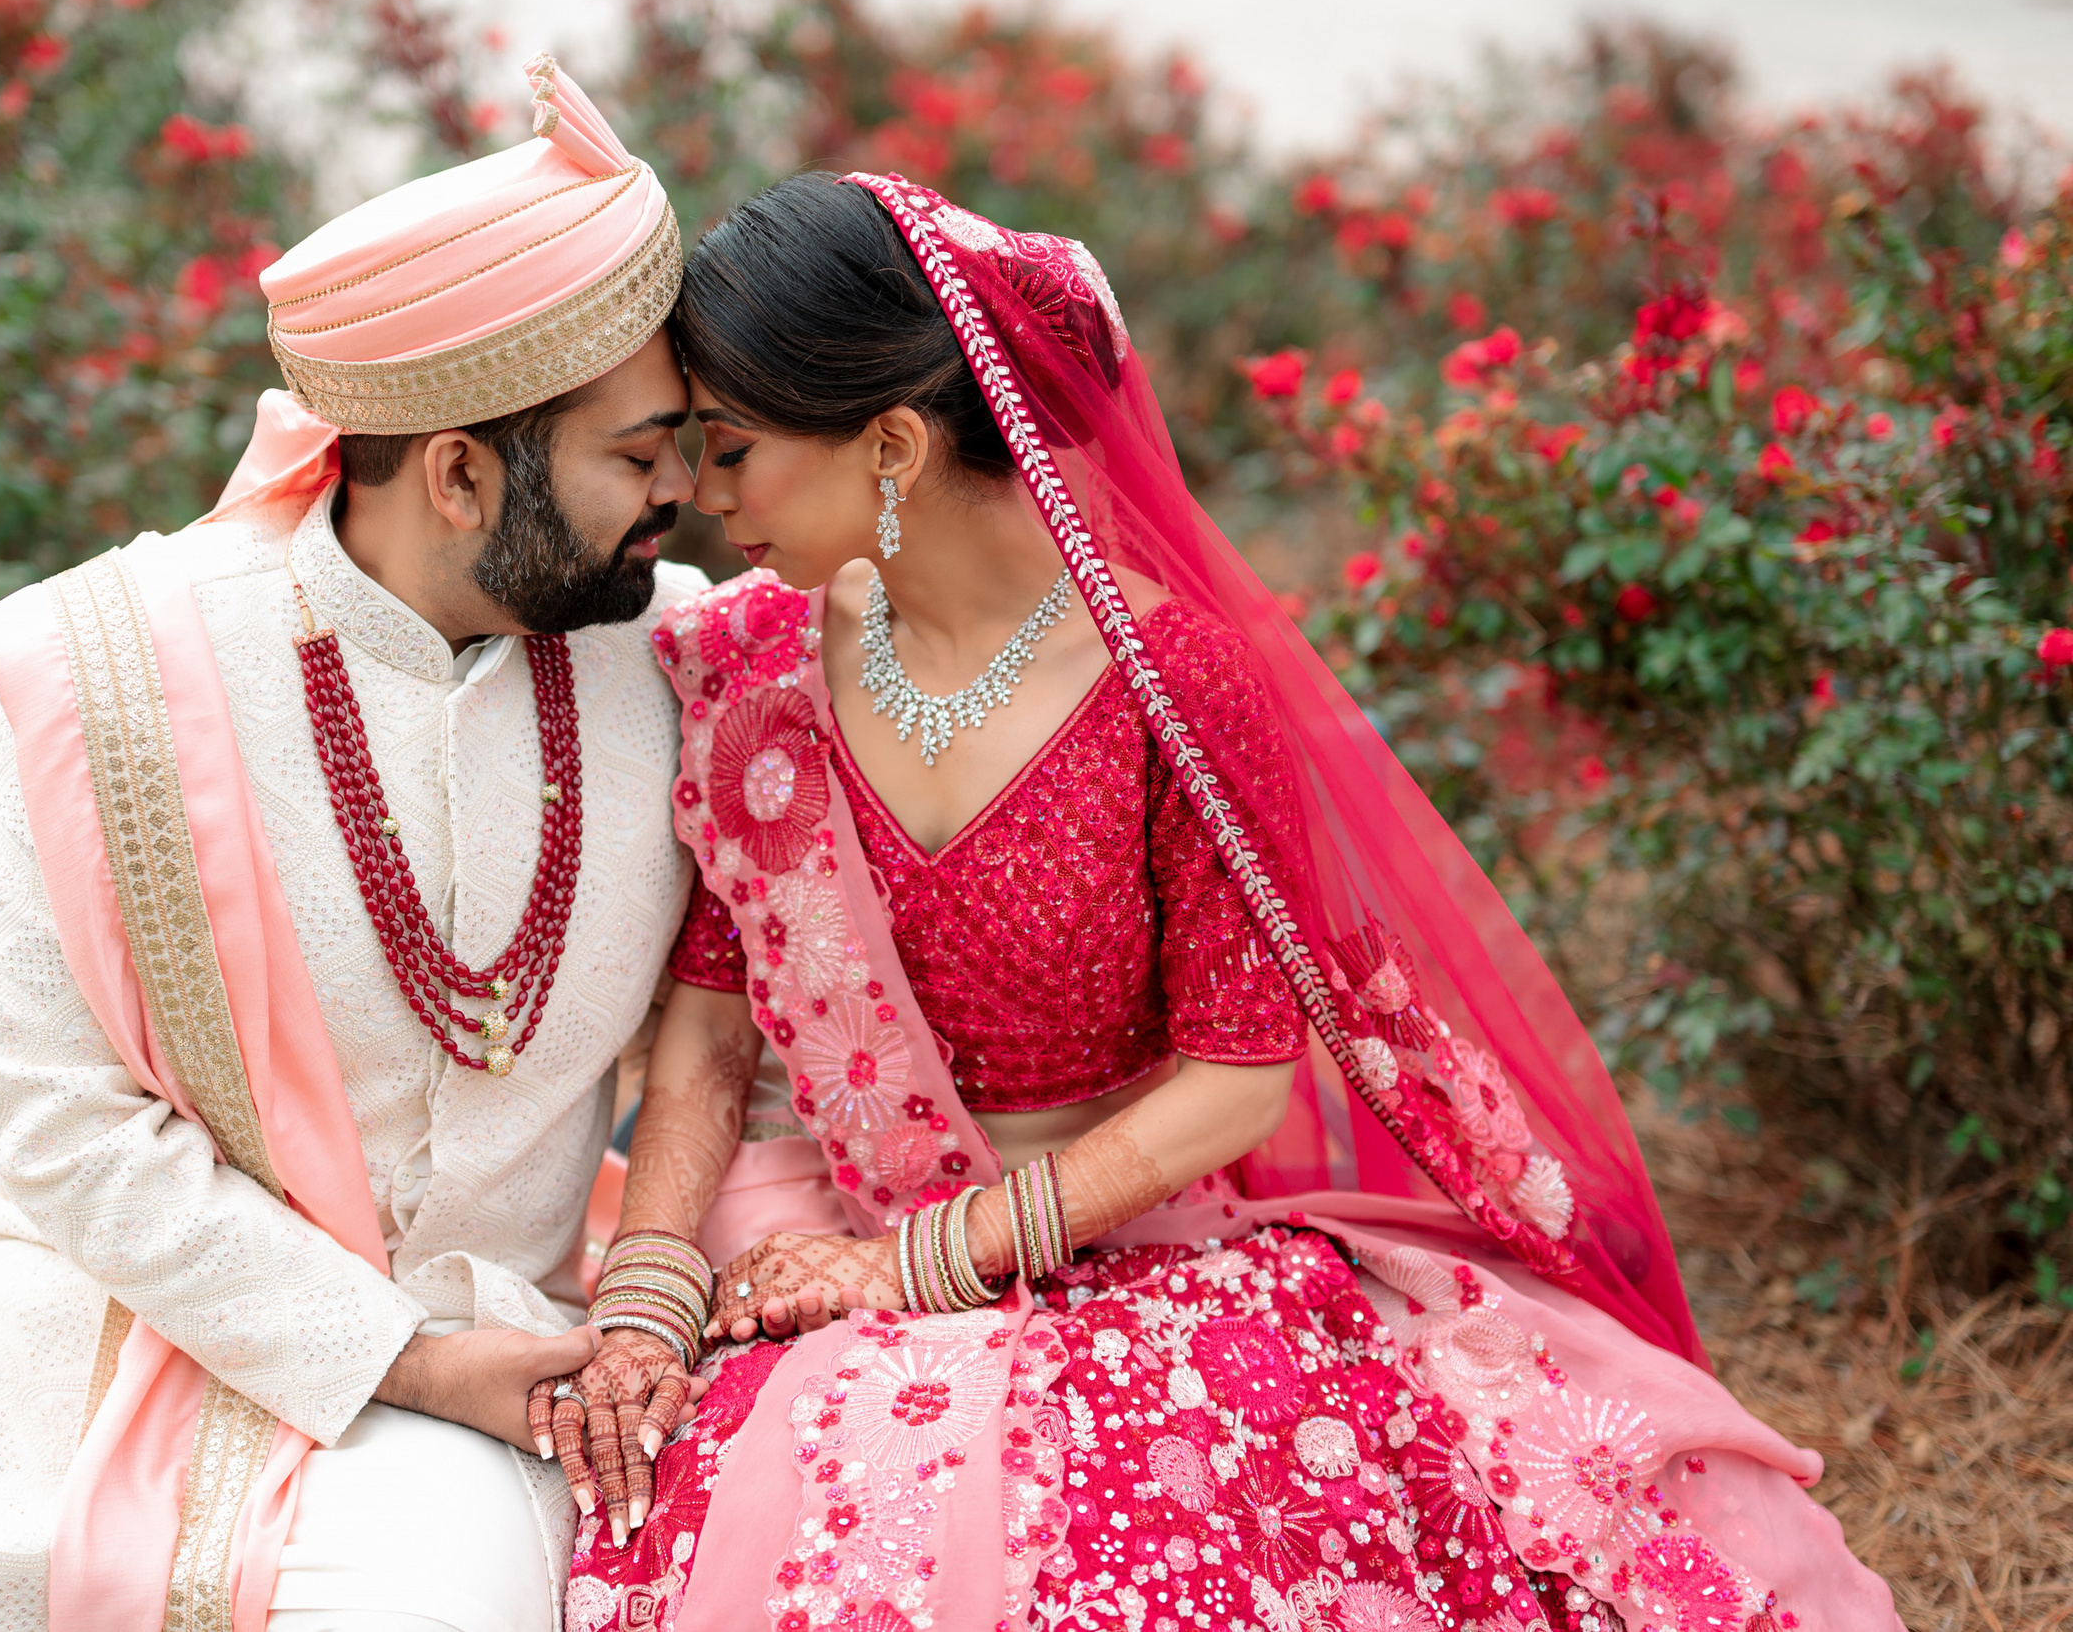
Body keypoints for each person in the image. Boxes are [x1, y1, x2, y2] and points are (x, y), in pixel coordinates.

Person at [551, 173, 1903, 1632]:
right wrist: (649, 1293)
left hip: (1131, 1257)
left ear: (889, 442)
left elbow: (1235, 1085)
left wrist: (913, 1267)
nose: (701, 493)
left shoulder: (1169, 687)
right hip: (821, 1228)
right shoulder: (751, 667)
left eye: (734, 449)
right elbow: (701, 1043)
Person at [0, 58, 707, 1632]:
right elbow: (59, 1119)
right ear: (457, 472)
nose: (684, 496)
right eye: (640, 457)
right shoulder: (113, 676)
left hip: (492, 1364)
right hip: (73, 1318)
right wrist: (387, 1354)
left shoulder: (686, 662)